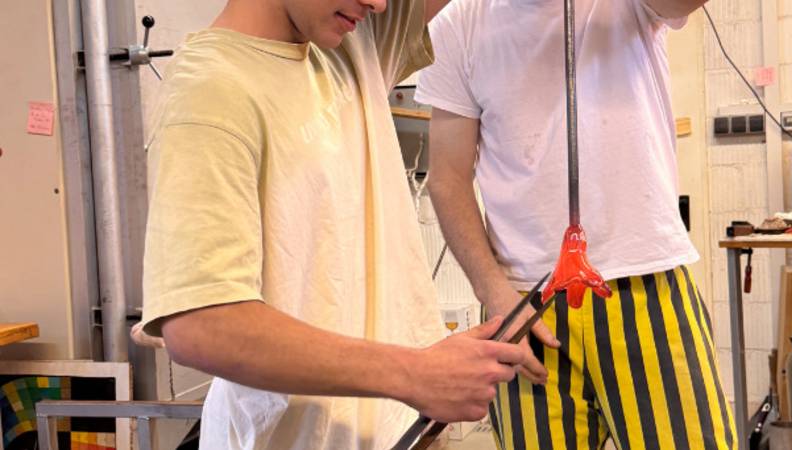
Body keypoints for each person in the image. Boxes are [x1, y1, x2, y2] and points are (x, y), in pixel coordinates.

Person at [139, 0, 529, 448]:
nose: (380, 4)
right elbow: (202, 326)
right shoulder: (211, 93)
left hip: (400, 432)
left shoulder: (349, 42)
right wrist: (415, 373)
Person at [415, 0, 737, 448]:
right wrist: (493, 292)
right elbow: (447, 179)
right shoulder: (459, 22)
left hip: (645, 285)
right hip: (525, 305)